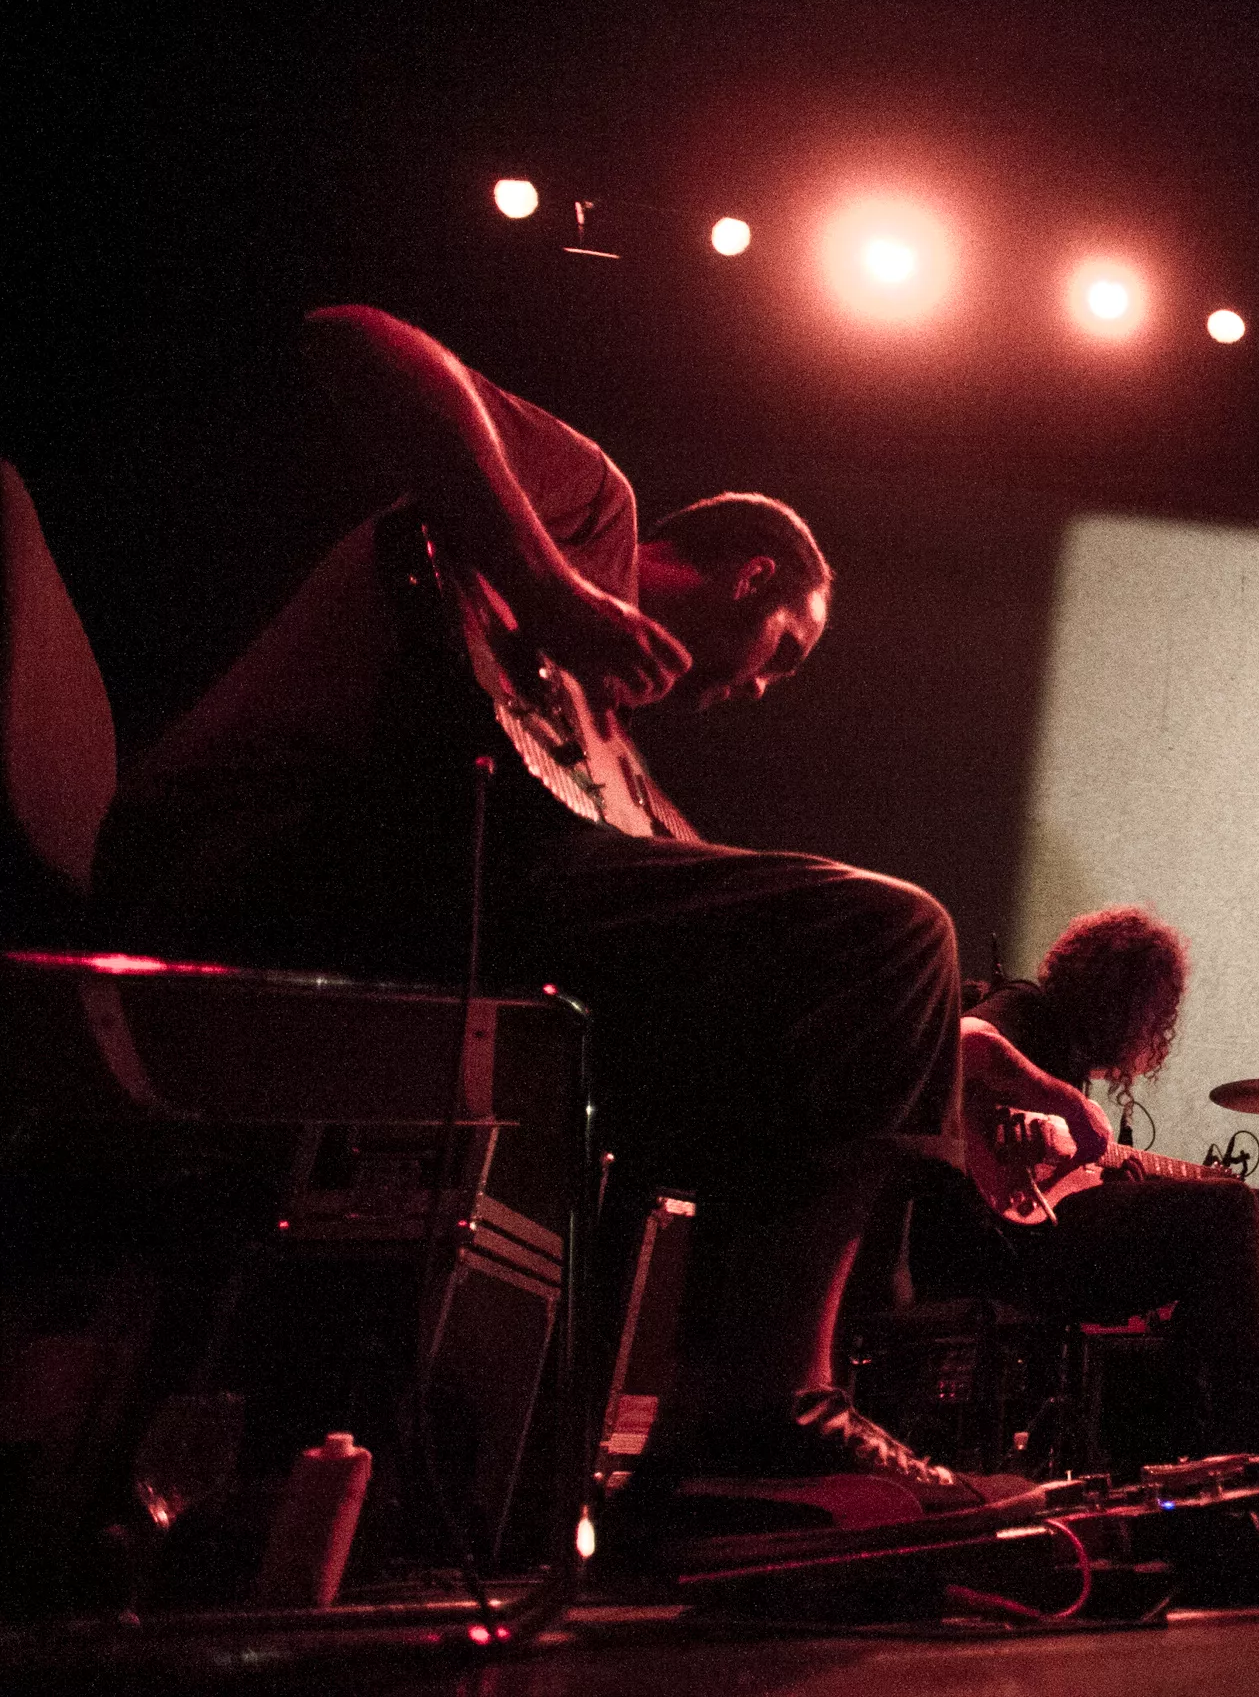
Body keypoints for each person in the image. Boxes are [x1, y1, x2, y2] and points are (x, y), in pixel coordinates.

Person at [91, 305, 1030, 1537]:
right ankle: (763, 1418)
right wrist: (551, 585)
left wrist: (959, 1048)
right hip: (254, 867)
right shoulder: (591, 513)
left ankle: (663, 1467)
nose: (750, 690)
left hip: (389, 907)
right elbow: (353, 340)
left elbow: (745, 912)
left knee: (833, 986)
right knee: (892, 929)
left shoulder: (602, 749)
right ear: (754, 576)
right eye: (777, 654)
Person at [904, 906, 1259, 1457]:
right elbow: (963, 1044)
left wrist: (1116, 1191)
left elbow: (1050, 1177)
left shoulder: (1064, 1050)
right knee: (1226, 1209)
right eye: (1152, 1011)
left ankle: (1180, 1450)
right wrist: (1066, 1101)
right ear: (1129, 1002)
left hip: (1017, 1248)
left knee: (1199, 1248)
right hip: (983, 1245)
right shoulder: (1030, 1010)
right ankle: (1251, 1446)